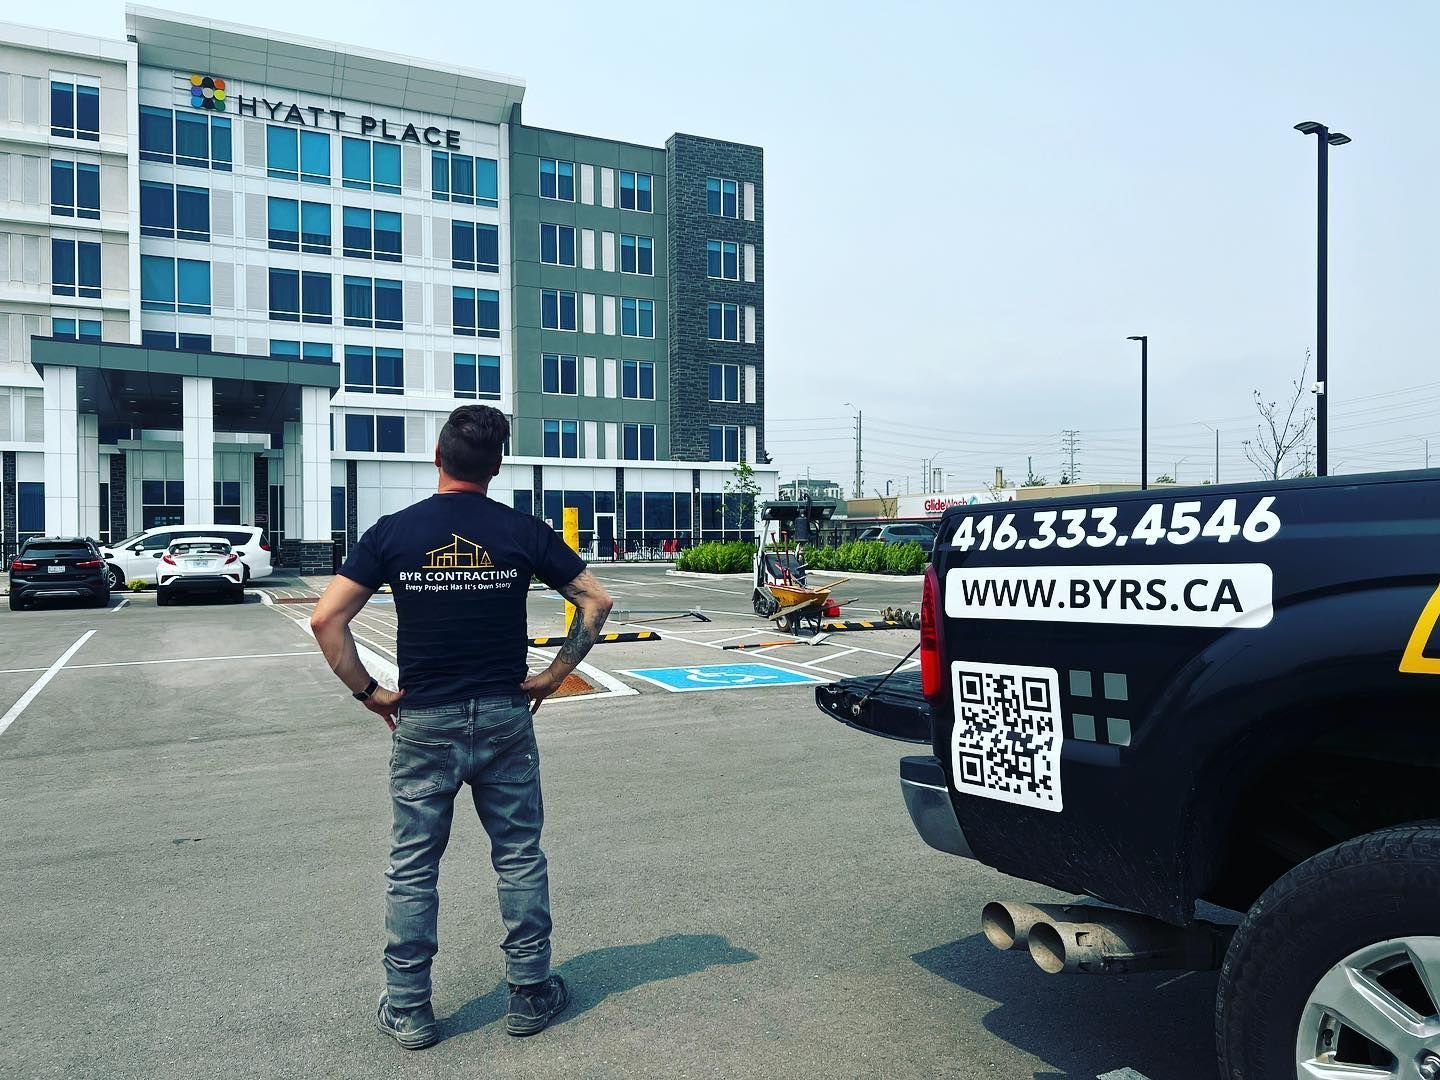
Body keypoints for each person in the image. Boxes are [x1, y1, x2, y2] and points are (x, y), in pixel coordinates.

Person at [310, 404, 613, 1050]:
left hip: (423, 719)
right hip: (505, 715)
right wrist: (555, 673)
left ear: (438, 459)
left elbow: (326, 621)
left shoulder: (394, 533)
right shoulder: (521, 532)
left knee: (413, 865)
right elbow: (596, 600)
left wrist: (370, 694)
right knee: (519, 855)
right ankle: (530, 992)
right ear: (495, 467)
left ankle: (410, 1007)